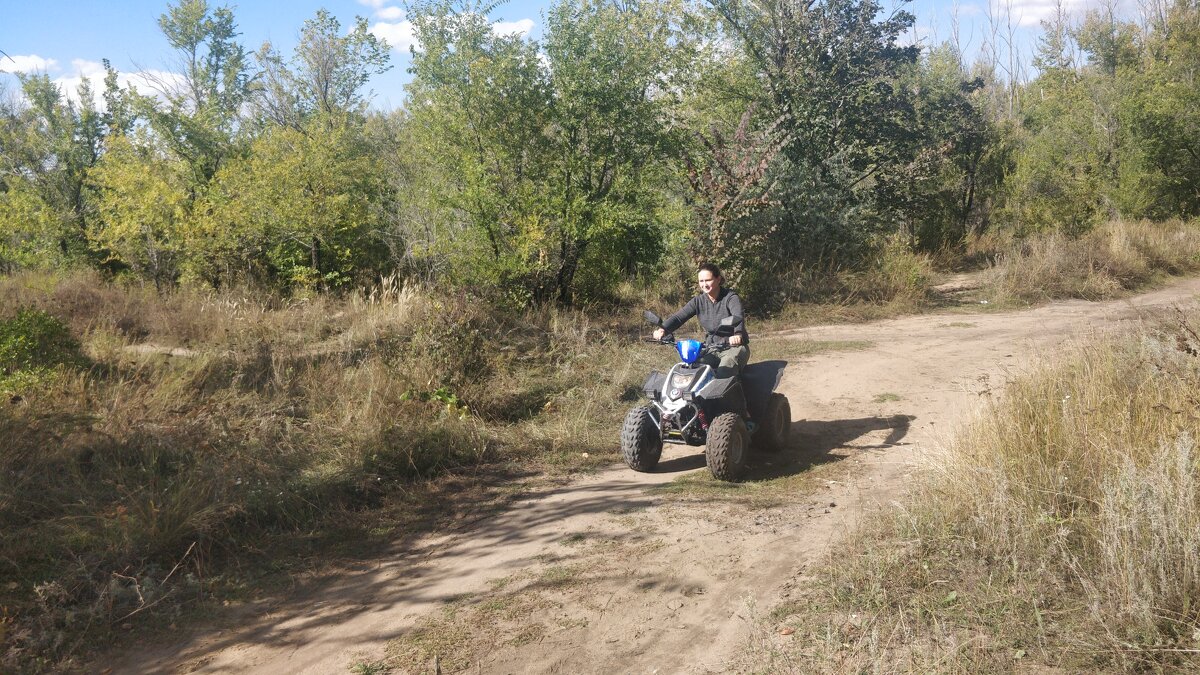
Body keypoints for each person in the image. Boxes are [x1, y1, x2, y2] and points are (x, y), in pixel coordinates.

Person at [653, 263, 749, 379]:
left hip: (734, 347)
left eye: (708, 280)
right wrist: (663, 329)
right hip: (711, 348)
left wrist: (738, 334)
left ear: (718, 279)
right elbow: (678, 317)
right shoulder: (698, 301)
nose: (704, 285)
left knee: (723, 373)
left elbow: (737, 316)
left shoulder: (730, 298)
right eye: (701, 281)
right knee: (692, 370)